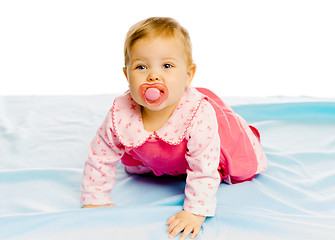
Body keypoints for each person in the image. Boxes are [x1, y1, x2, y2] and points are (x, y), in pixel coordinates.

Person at [81, 17, 267, 240]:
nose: (154, 76)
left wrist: (195, 213)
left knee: (238, 165)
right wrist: (96, 199)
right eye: (141, 66)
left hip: (203, 151)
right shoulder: (120, 113)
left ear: (188, 75)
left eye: (167, 66)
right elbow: (100, 156)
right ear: (127, 74)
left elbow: (203, 167)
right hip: (156, 155)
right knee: (132, 164)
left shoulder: (197, 113)